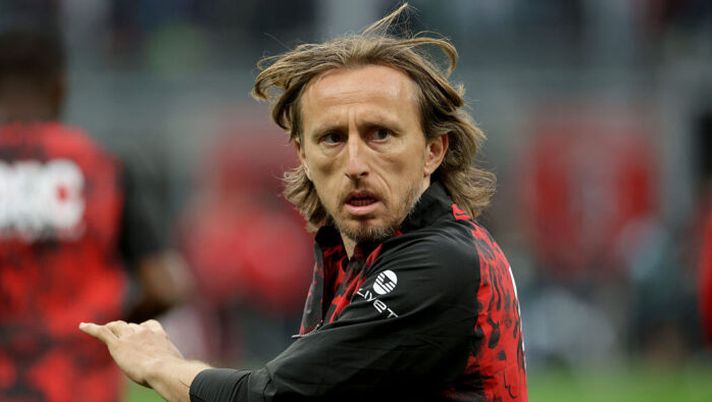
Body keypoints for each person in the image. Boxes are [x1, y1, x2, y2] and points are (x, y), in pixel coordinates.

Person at [80, 4, 528, 401]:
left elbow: (272, 396)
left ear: (433, 150)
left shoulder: (440, 261)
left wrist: (160, 365)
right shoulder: (353, 252)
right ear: (303, 156)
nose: (355, 164)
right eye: (332, 138)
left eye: (380, 134)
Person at [0, 28, 189, 401]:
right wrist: (106, 333)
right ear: (60, 86)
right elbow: (165, 285)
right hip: (77, 382)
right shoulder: (104, 168)